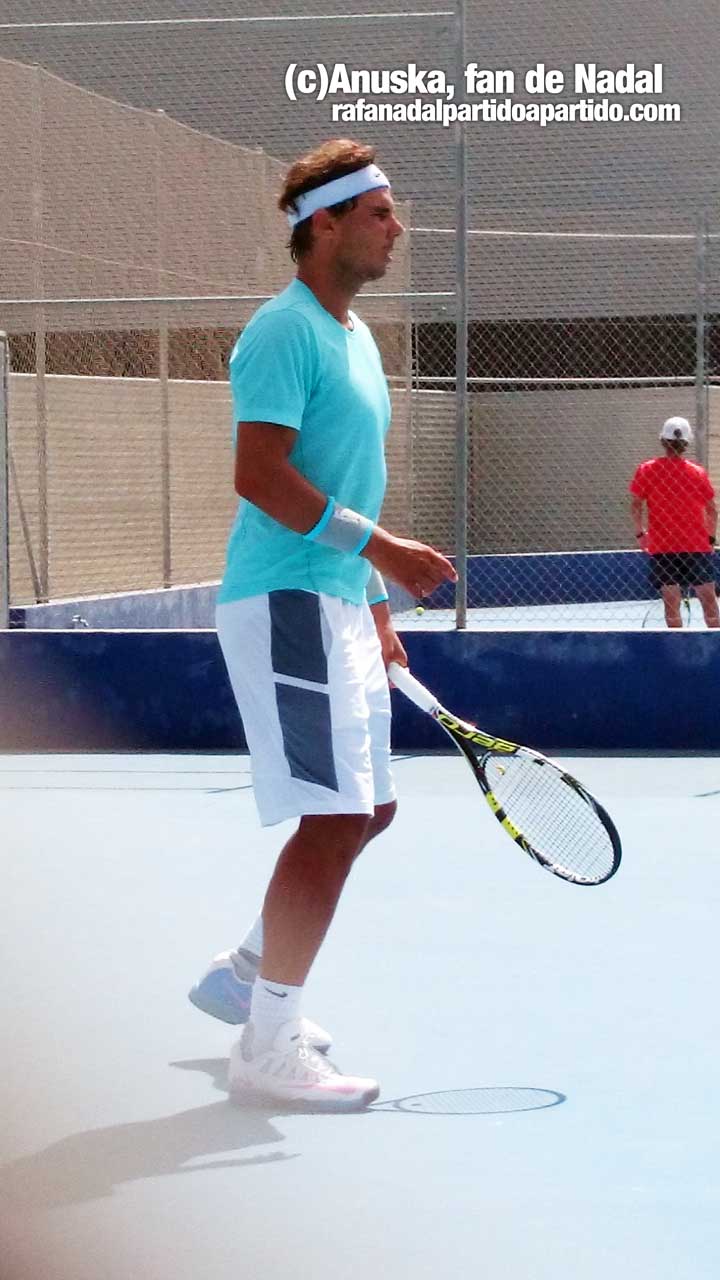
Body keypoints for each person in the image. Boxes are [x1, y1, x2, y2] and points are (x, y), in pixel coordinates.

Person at [188, 139, 457, 1110]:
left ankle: (246, 973)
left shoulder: (355, 337)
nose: (397, 226)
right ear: (327, 224)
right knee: (335, 812)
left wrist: (376, 604)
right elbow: (259, 476)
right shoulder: (283, 330)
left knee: (369, 806)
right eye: (380, 211)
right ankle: (266, 1043)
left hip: (339, 601)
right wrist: (382, 551)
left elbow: (348, 479)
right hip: (287, 601)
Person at [630, 416, 718, 628]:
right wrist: (710, 538)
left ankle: (677, 652)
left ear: (663, 441)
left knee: (671, 604)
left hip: (663, 547)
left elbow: (635, 505)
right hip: (695, 545)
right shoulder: (697, 473)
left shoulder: (647, 470)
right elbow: (712, 510)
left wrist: (641, 535)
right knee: (709, 602)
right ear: (686, 444)